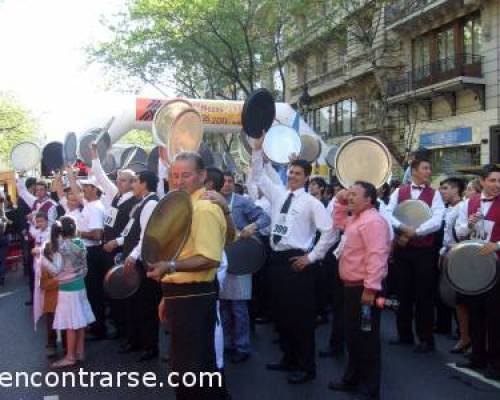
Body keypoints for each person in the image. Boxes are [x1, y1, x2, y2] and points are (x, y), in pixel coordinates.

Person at [251, 136, 335, 384]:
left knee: (301, 319)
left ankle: (306, 367)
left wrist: (311, 257)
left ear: (307, 177)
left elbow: (330, 232)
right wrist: (257, 151)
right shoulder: (278, 194)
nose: (292, 176)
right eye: (290, 172)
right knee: (282, 315)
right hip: (276, 261)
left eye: (297, 173)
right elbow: (258, 177)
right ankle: (288, 359)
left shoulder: (312, 202)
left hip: (297, 262)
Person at [148, 151, 228, 399]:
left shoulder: (203, 208)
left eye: (186, 175)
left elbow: (210, 258)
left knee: (192, 370)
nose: (178, 180)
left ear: (202, 176)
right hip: (181, 296)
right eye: (174, 175)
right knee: (192, 367)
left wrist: (169, 268)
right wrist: (167, 294)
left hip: (193, 298)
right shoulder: (186, 206)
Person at [329, 182, 391, 400]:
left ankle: (370, 387)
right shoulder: (356, 218)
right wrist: (339, 200)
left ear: (369, 200)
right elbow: (338, 223)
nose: (351, 197)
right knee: (353, 337)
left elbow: (377, 256)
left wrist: (371, 289)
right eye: (350, 194)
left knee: (367, 339)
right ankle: (352, 379)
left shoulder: (373, 221)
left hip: (365, 292)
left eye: (355, 195)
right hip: (351, 290)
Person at [386, 155, 445, 353]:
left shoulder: (434, 194)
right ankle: (404, 335)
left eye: (429, 168)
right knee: (403, 293)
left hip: (424, 252)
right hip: (402, 251)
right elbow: (387, 213)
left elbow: (437, 220)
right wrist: (402, 227)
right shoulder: (399, 192)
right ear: (414, 171)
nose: (429, 172)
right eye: (426, 168)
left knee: (424, 296)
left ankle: (426, 339)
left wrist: (415, 232)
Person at [454, 164, 500, 380]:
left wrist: (497, 245)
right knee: (476, 314)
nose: (497, 185)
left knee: (495, 318)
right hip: (473, 267)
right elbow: (459, 232)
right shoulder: (469, 203)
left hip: (496, 267)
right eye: (493, 180)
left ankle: (495, 363)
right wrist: (469, 226)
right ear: (482, 182)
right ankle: (477, 357)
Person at [219, 171, 270, 364]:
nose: (227, 184)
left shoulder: (242, 201)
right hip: (220, 257)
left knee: (239, 307)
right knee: (223, 305)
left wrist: (253, 226)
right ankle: (226, 343)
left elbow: (265, 218)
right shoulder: (211, 201)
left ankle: (242, 346)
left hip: (241, 258)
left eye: (230, 181)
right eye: (224, 181)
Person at [91, 144, 139, 340]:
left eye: (124, 180)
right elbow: (100, 175)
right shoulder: (115, 195)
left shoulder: (136, 201)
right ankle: (119, 329)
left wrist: (117, 242)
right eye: (118, 179)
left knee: (124, 292)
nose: (119, 183)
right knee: (111, 291)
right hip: (107, 250)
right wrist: (94, 154)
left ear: (133, 182)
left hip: (121, 251)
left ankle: (128, 332)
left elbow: (135, 230)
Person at [119, 170, 161, 362]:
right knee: (135, 303)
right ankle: (137, 341)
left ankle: (150, 346)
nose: (132, 185)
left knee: (146, 306)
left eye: (135, 181)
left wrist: (133, 256)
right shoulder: (142, 202)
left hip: (144, 264)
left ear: (144, 184)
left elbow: (147, 235)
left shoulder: (151, 203)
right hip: (137, 262)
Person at [42, 216, 95, 368]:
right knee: (80, 320)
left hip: (67, 289)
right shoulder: (80, 242)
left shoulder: (61, 247)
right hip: (80, 285)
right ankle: (80, 352)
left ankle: (70, 356)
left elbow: (56, 271)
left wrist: (42, 260)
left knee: (71, 323)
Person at [69, 175, 106, 340]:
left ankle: (99, 328)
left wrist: (77, 233)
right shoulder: (90, 205)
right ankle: (96, 325)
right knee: (91, 292)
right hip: (88, 253)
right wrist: (70, 175)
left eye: (87, 186)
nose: (83, 189)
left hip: (93, 253)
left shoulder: (95, 207)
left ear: (95, 189)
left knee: (94, 292)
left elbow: (97, 235)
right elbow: (76, 194)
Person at [438, 177, 469, 352]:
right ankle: (463, 333)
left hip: (458, 256)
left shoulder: (462, 208)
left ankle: (465, 335)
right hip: (447, 253)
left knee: (460, 298)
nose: (442, 191)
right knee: (453, 298)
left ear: (456, 189)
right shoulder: (447, 208)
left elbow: (459, 235)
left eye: (445, 188)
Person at [17, 177, 57, 305]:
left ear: (46, 190)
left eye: (41, 190)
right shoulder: (34, 202)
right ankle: (36, 299)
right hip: (35, 241)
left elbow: (51, 226)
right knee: (35, 272)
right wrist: (20, 175)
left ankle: (48, 302)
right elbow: (22, 191)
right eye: (37, 190)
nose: (39, 192)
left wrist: (33, 222)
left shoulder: (52, 205)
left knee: (47, 272)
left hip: (46, 243)